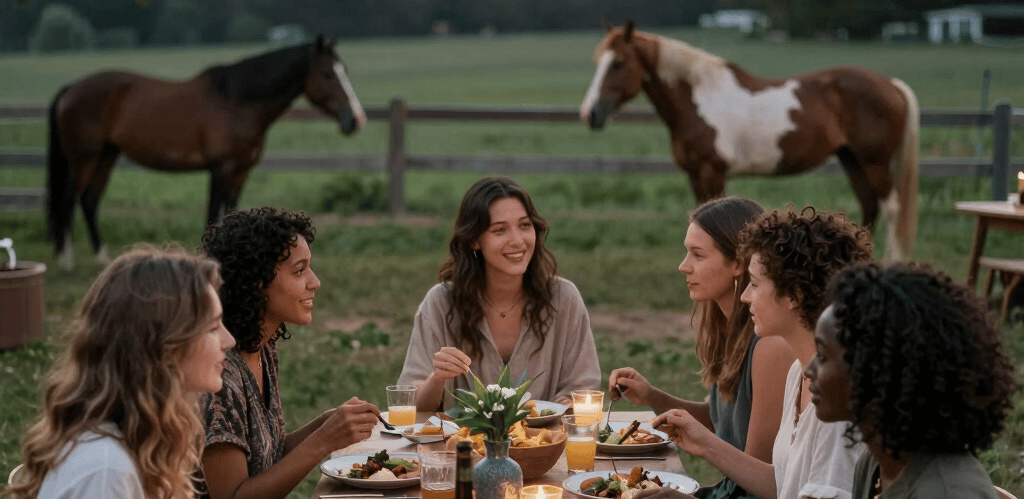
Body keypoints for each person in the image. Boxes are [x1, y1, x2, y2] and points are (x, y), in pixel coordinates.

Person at [650, 206, 873, 499]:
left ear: (794, 295)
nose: (744, 296)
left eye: (754, 284)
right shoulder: (800, 372)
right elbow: (781, 484)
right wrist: (705, 444)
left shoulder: (835, 404)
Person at [7, 246, 236, 499]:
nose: (229, 340)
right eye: (213, 327)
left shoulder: (142, 441)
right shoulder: (107, 471)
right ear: (165, 347)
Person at [608, 196, 794, 499]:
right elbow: (729, 418)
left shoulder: (770, 346)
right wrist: (654, 396)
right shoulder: (727, 327)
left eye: (698, 255)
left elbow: (759, 479)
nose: (684, 266)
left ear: (737, 263)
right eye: (686, 253)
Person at [198, 207, 381, 499]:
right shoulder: (218, 374)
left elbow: (266, 456)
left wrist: (325, 423)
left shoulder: (262, 346)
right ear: (256, 282)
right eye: (299, 271)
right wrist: (322, 441)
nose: (315, 281)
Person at [805, 261, 1017, 499]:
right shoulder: (875, 462)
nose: (808, 370)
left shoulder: (945, 493)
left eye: (822, 356)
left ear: (877, 370)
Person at [398, 176, 601, 410]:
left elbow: (584, 389)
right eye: (499, 230)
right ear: (474, 239)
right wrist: (438, 378)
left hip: (544, 443)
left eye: (525, 226)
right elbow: (411, 406)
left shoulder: (564, 298)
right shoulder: (440, 303)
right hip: (461, 445)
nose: (517, 241)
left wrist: (569, 403)